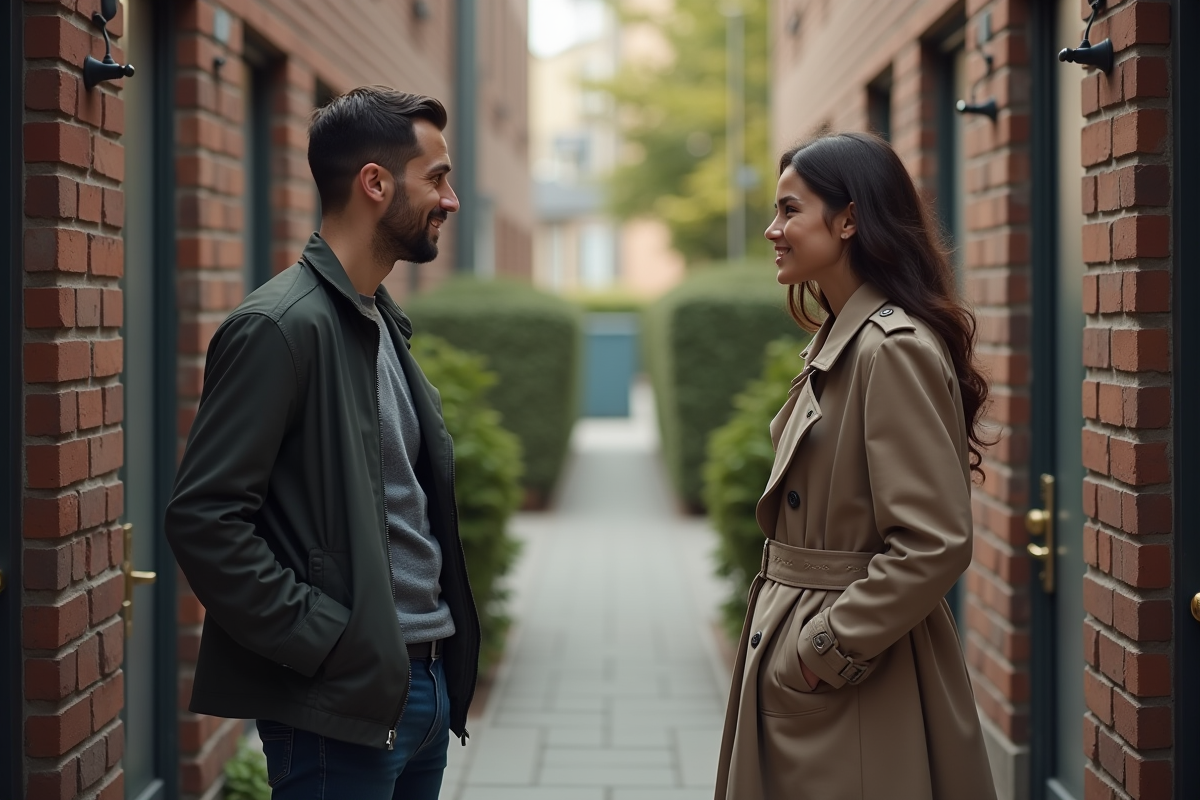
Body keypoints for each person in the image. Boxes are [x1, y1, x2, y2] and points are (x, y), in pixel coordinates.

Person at [165, 86, 479, 799]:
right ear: (375, 182)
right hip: (341, 708)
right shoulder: (279, 327)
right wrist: (327, 641)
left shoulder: (377, 322)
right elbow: (203, 520)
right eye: (436, 177)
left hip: (419, 691)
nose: (451, 199)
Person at [715, 132, 998, 800]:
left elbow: (934, 542)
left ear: (848, 219)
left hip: (855, 674)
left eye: (790, 210)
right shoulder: (840, 340)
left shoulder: (888, 349)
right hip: (812, 650)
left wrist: (825, 651)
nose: (772, 229)